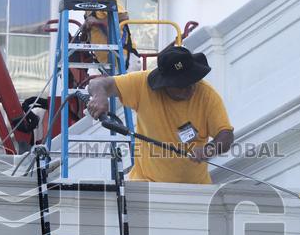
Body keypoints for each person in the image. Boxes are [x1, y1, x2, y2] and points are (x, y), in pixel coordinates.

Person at [85, 46, 234, 184]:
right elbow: (97, 84)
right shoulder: (142, 84)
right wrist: (100, 96)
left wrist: (209, 149)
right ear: (165, 84)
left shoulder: (207, 95)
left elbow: (226, 135)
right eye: (181, 85)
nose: (189, 89)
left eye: (192, 81)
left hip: (195, 188)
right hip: (147, 184)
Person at [65, 0, 130, 67]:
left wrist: (97, 21)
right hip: (106, 60)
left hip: (122, 56)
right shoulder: (89, 8)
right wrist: (85, 30)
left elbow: (124, 16)